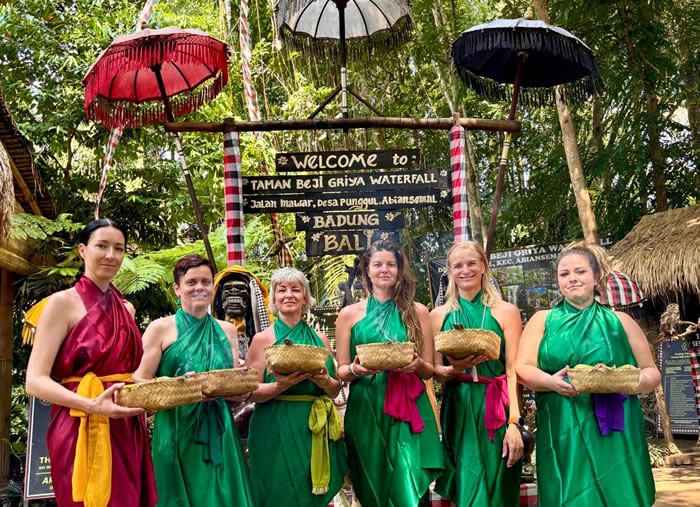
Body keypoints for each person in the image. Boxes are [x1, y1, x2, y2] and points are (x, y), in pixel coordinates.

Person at [25, 218, 157, 507]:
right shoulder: (61, 304)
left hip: (124, 424)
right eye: (102, 246)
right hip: (79, 423)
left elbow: (125, 375)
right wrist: (91, 405)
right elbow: (34, 381)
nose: (111, 255)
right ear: (83, 250)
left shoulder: (127, 308)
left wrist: (164, 387)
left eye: (119, 248)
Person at [516, 241, 660, 506]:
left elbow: (651, 372)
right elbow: (522, 368)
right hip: (562, 420)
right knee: (569, 491)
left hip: (617, 425)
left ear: (596, 277)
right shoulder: (543, 320)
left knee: (618, 491)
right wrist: (551, 382)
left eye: (580, 271)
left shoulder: (620, 322)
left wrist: (630, 383)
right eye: (564, 274)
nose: (572, 278)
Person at [134, 254, 254, 506]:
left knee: (221, 496)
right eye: (191, 282)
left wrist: (241, 388)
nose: (199, 287)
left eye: (205, 282)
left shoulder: (227, 330)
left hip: (219, 426)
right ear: (177, 288)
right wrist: (172, 384)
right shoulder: (160, 328)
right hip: (176, 425)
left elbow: (232, 383)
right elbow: (139, 379)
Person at [335, 240, 444, 507]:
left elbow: (429, 369)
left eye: (391, 264)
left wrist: (416, 365)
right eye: (378, 264)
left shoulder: (417, 311)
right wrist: (355, 369)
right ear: (367, 271)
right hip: (367, 406)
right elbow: (341, 370)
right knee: (372, 483)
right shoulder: (348, 314)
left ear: (399, 270)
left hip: (409, 406)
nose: (384, 269)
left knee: (408, 481)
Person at [431, 241, 523, 506]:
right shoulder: (438, 315)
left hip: (497, 405)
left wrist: (514, 422)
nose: (465, 270)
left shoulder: (506, 312)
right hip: (457, 405)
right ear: (449, 271)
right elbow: (435, 372)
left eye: (471, 263)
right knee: (466, 480)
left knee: (499, 479)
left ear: (483, 265)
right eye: (458, 265)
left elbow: (513, 371)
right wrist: (454, 368)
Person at [246, 267, 347, 506]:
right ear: (274, 298)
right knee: (277, 491)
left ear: (305, 298)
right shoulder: (262, 340)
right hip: (273, 426)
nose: (288, 295)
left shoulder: (320, 340)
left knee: (310, 491)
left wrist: (325, 381)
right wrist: (280, 386)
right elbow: (249, 392)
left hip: (313, 428)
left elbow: (335, 390)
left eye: (295, 289)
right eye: (281, 290)